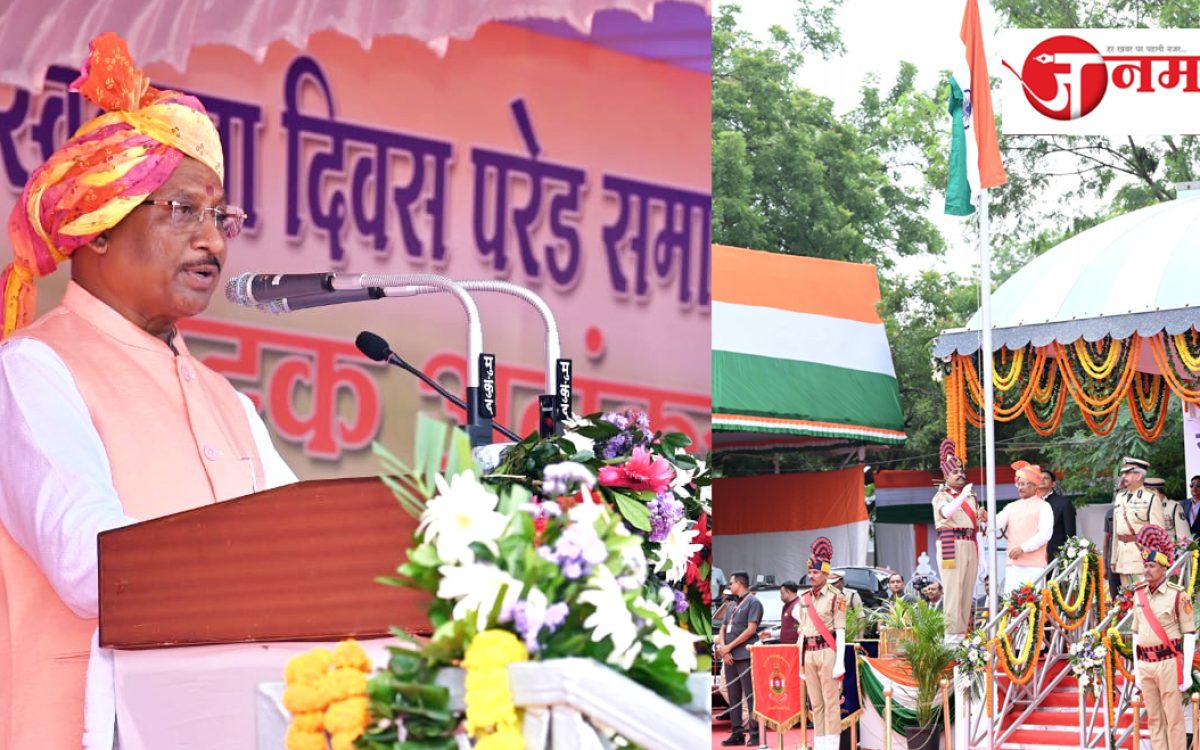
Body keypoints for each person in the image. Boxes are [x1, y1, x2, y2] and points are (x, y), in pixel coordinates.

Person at [0, 34, 296, 750]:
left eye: (221, 218)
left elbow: (308, 556)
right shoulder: (32, 369)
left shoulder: (233, 403)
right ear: (96, 230)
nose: (214, 243)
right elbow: (95, 565)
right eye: (183, 210)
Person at [1132, 525, 1195, 750]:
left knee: (1174, 718)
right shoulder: (1138, 594)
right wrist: (1136, 670)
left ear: (1164, 568)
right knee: (1155, 719)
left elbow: (1189, 634)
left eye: (1151, 566)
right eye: (1145, 566)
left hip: (1168, 662)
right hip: (1145, 663)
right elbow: (1136, 634)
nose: (1146, 570)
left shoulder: (1178, 594)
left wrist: (1186, 672)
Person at [791, 537, 846, 750]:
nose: (811, 576)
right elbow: (802, 633)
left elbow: (841, 631)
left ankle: (832, 746)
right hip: (809, 653)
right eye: (810, 572)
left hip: (827, 651)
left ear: (825, 574)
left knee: (831, 703)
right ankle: (820, 744)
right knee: (816, 703)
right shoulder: (804, 598)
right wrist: (801, 663)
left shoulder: (837, 596)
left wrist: (839, 662)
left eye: (815, 573)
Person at [931, 438, 984, 641]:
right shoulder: (941, 495)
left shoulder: (971, 496)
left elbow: (977, 529)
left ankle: (962, 636)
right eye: (955, 472)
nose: (961, 475)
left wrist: (983, 559)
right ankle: (951, 639)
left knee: (967, 592)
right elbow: (946, 512)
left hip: (970, 542)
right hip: (950, 543)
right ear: (946, 476)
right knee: (953, 591)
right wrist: (962, 496)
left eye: (962, 472)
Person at [715, 571, 762, 746]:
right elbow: (723, 629)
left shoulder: (753, 602)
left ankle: (755, 733)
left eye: (731, 583)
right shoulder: (732, 605)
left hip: (745, 655)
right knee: (733, 696)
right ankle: (737, 732)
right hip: (730, 656)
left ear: (740, 583)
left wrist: (729, 647)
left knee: (750, 695)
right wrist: (723, 649)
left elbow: (751, 630)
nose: (729, 586)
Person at [995, 461, 1054, 595]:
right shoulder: (1011, 506)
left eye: (1023, 484)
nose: (1019, 488)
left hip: (1034, 566)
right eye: (1018, 484)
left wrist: (1023, 548)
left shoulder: (1044, 507)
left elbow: (1045, 534)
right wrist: (986, 518)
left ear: (1034, 486)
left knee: (1032, 607)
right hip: (1013, 565)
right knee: (1011, 604)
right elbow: (996, 523)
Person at [1112, 457, 1166, 588]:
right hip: (1123, 558)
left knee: (1143, 599)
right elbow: (1116, 532)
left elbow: (1158, 534)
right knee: (1126, 599)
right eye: (1123, 473)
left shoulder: (1150, 498)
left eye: (1127, 473)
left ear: (1138, 476)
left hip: (1142, 559)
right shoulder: (1120, 497)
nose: (1123, 476)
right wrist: (1114, 559)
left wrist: (1155, 563)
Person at [1039, 469, 1076, 562]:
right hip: (1035, 554)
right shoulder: (1032, 503)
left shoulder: (1063, 503)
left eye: (1046, 478)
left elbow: (1070, 532)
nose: (1042, 480)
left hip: (1056, 554)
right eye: (1039, 478)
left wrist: (1068, 554)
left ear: (1053, 484)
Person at [1148, 477, 1192, 546]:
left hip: (1168, 553)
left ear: (1155, 491)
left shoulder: (1173, 507)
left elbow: (1184, 537)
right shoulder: (1145, 509)